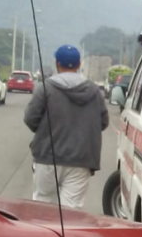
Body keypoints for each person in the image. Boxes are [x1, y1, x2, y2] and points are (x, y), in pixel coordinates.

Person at [24, 44, 109, 209]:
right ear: (79, 65)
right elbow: (103, 122)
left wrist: (46, 132)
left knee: (42, 208)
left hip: (47, 158)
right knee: (71, 213)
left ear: (57, 64)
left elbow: (30, 118)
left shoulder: (46, 88)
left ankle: (44, 235)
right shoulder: (94, 91)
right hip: (80, 161)